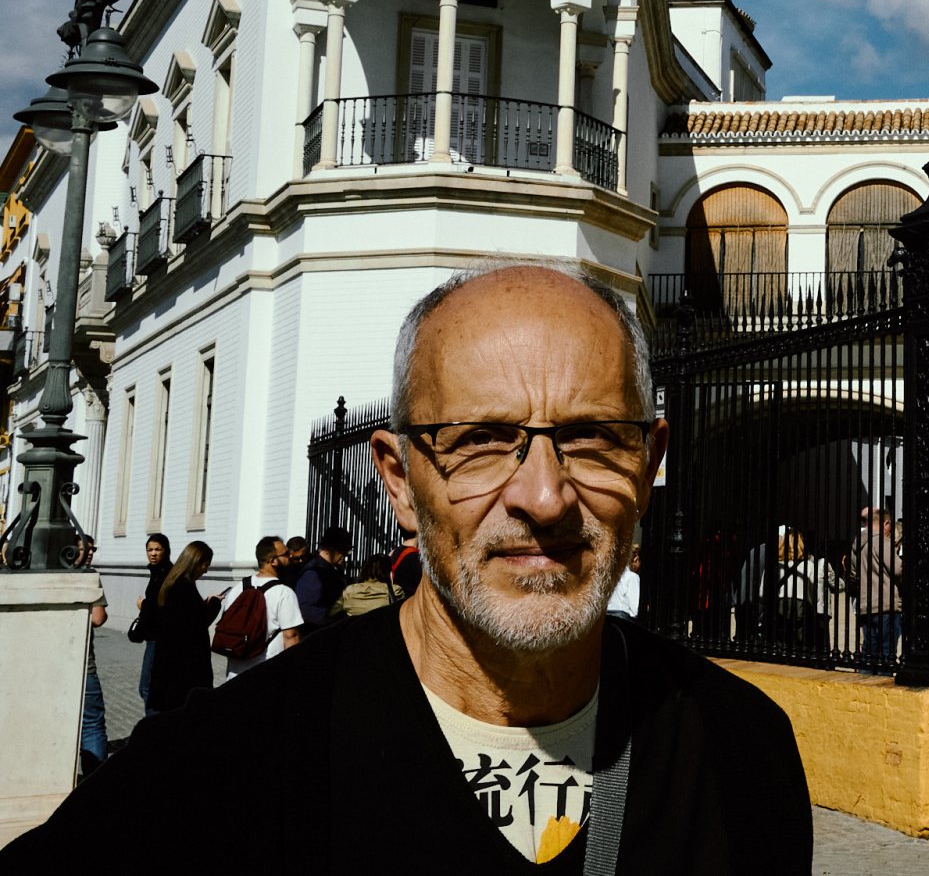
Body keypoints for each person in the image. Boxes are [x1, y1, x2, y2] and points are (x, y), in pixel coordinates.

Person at [4, 262, 812, 872]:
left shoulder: (739, 750)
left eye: (593, 437)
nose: (544, 496)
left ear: (649, 464)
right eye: (481, 441)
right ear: (397, 480)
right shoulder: (221, 772)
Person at [145, 541, 221, 713]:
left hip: (170, 666)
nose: (206, 570)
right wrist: (214, 604)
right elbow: (196, 624)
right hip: (184, 669)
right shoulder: (184, 588)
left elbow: (184, 617)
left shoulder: (173, 584)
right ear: (197, 562)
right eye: (206, 565)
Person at [219, 537, 304, 678]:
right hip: (266, 675)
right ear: (272, 561)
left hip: (235, 674)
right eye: (285, 554)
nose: (290, 556)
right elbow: (291, 636)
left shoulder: (238, 588)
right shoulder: (284, 593)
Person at [76, 537, 108, 776]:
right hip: (83, 665)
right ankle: (96, 780)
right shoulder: (89, 576)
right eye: (82, 548)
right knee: (92, 726)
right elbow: (98, 618)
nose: (89, 553)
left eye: (92, 549)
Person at [773, 530, 839, 648]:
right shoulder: (809, 566)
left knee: (782, 639)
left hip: (780, 603)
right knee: (800, 640)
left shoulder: (777, 566)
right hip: (801, 604)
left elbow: (764, 590)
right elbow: (814, 591)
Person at [853, 508, 901, 665]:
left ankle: (865, 677)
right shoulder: (881, 541)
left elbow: (853, 571)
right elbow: (897, 569)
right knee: (886, 653)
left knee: (869, 652)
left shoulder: (858, 543)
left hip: (865, 605)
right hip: (885, 604)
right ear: (885, 523)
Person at [133, 533, 172, 716]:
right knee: (148, 688)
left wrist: (144, 605)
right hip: (153, 638)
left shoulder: (167, 574)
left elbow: (164, 606)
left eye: (157, 549)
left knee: (148, 688)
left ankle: (154, 726)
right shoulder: (157, 572)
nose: (153, 553)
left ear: (166, 551)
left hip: (159, 638)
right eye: (150, 550)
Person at [295, 526, 352, 634]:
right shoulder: (314, 573)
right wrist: (336, 617)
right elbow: (305, 609)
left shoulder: (326, 569)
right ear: (329, 549)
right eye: (343, 550)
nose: (345, 555)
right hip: (318, 634)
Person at [333, 552, 396, 618]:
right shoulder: (395, 591)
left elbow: (333, 613)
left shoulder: (349, 591)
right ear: (388, 572)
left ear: (366, 568)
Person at [604, 546, 640, 619]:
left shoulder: (609, 575)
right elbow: (635, 610)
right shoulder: (632, 577)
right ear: (636, 559)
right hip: (621, 620)